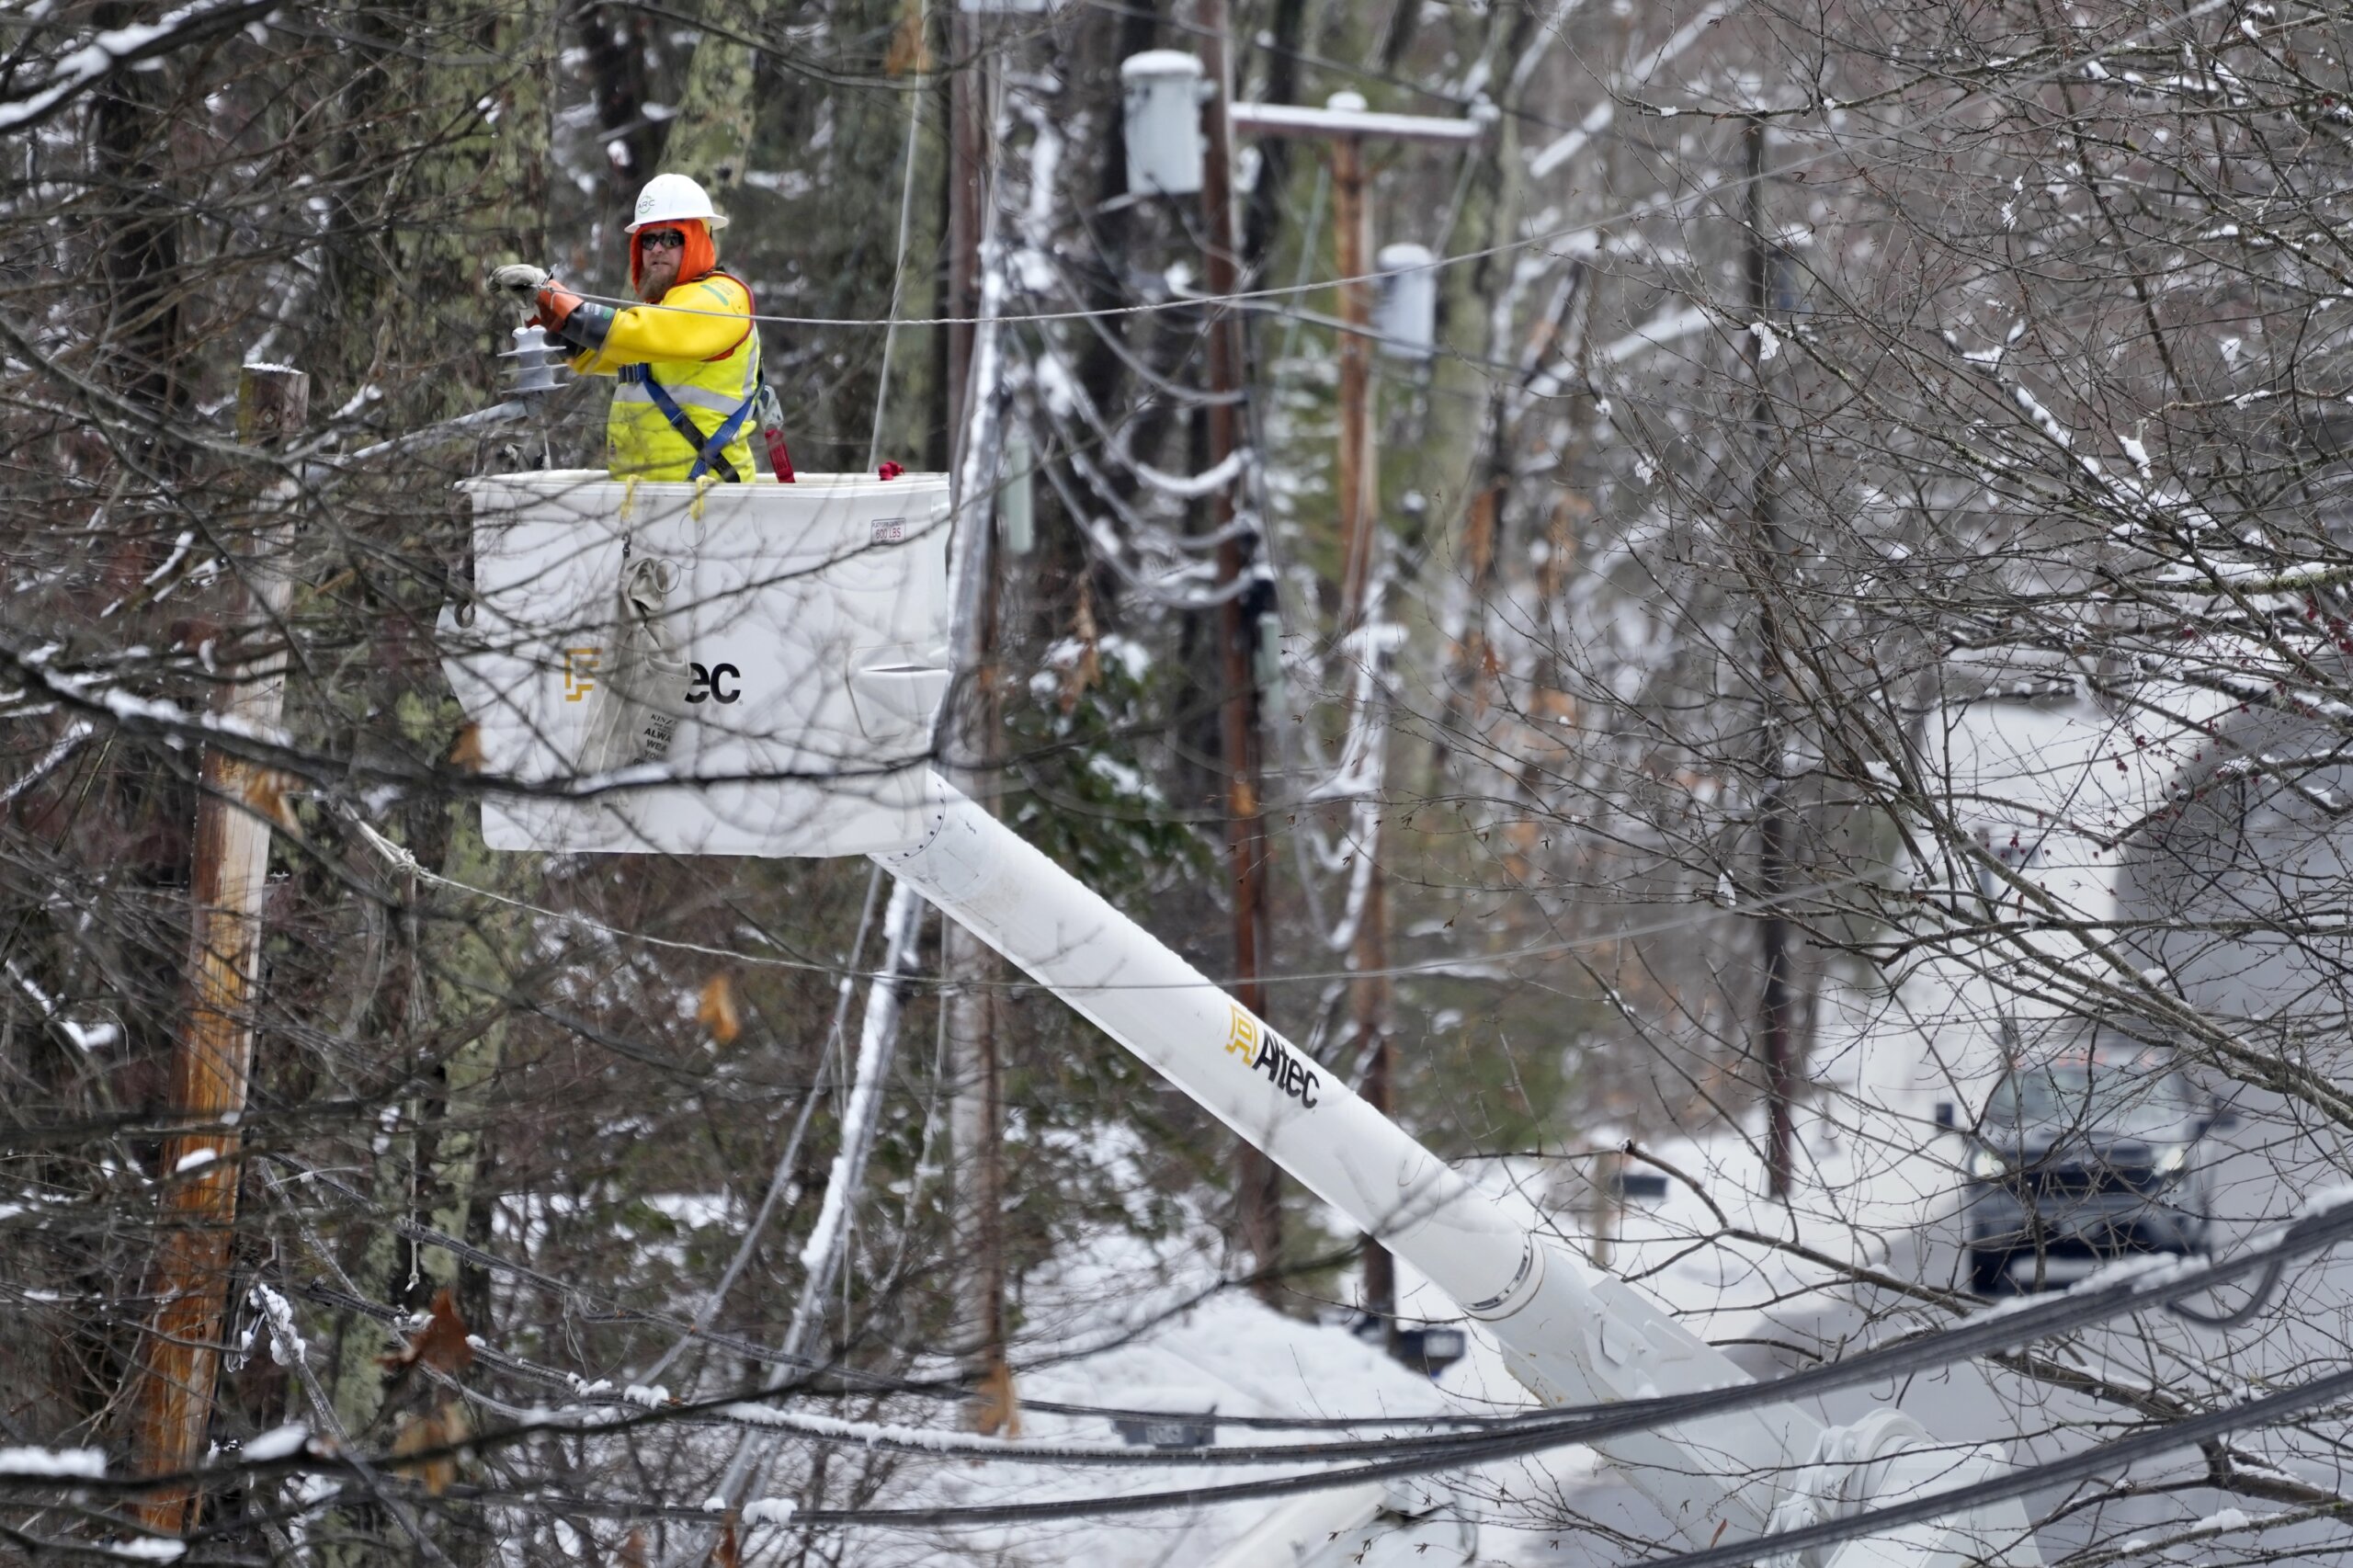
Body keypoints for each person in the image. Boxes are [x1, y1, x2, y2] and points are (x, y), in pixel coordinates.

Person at [492, 174, 764, 483]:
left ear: (698, 241)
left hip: (711, 496)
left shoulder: (721, 298)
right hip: (647, 496)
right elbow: (588, 355)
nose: (657, 248)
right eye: (649, 240)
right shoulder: (660, 313)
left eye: (671, 238)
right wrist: (538, 309)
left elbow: (628, 333)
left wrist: (551, 294)